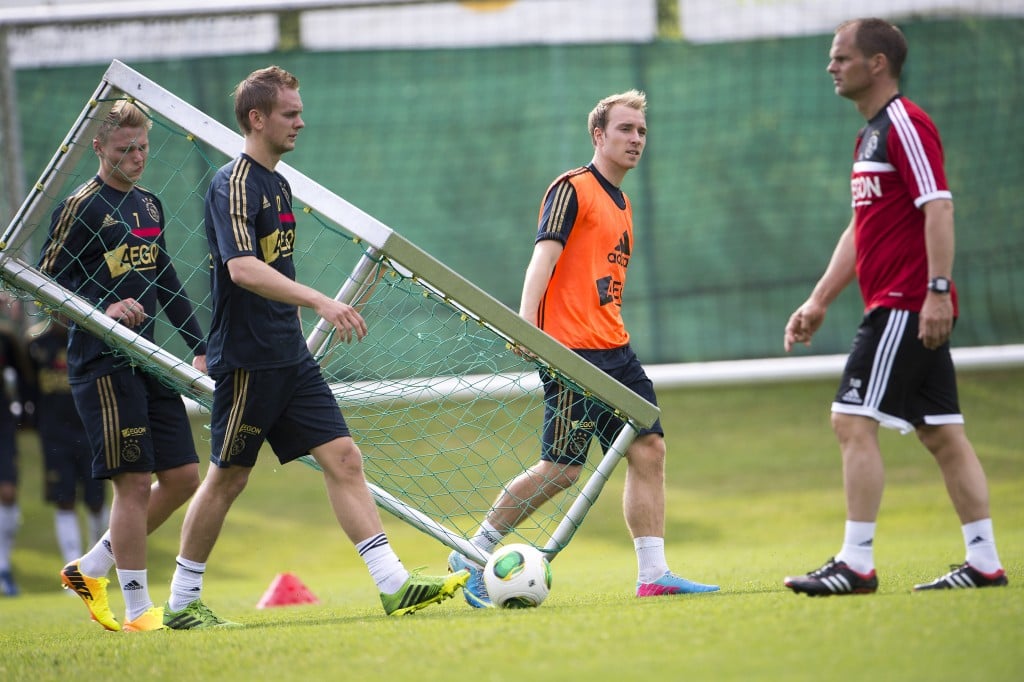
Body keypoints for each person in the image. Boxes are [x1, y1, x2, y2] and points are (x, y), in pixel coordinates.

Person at [162, 65, 467, 629]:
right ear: (257, 119)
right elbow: (244, 269)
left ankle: (394, 586)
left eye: (299, 111)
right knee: (228, 476)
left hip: (289, 356)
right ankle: (181, 603)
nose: (302, 121)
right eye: (290, 113)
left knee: (345, 459)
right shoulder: (232, 182)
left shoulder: (279, 183)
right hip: (249, 359)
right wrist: (321, 302)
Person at [447, 90, 719, 607]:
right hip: (572, 355)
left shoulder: (624, 202)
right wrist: (525, 324)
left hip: (617, 350)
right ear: (599, 135)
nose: (636, 139)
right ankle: (473, 549)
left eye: (641, 131)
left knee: (649, 448)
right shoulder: (572, 188)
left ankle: (653, 574)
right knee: (562, 470)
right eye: (624, 130)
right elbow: (542, 259)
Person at [782, 18, 1007, 595]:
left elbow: (940, 209)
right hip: (904, 301)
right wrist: (818, 301)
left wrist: (936, 291)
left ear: (877, 63)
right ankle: (984, 562)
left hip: (906, 303)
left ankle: (856, 563)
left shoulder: (905, 124)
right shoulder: (871, 136)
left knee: (851, 420)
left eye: (842, 57)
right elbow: (862, 230)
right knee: (942, 434)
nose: (831, 67)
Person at [39, 98, 209, 631]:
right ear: (97, 148)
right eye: (124, 150)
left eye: (142, 148)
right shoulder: (79, 207)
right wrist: (102, 307)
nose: (136, 158)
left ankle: (90, 568)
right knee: (133, 485)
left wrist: (197, 344)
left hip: (150, 361)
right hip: (102, 364)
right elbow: (43, 288)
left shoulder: (150, 206)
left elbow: (166, 282)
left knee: (182, 477)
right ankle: (138, 610)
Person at [25, 315, 109, 567]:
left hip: (90, 432)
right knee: (64, 498)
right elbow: (28, 387)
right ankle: (72, 566)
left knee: (96, 500)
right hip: (54, 436)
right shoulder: (35, 344)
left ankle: (97, 562)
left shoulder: (90, 340)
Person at [0, 294, 30, 597]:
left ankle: (3, 567)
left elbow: (24, 379)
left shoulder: (6, 338)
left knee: (7, 491)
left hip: (3, 422)